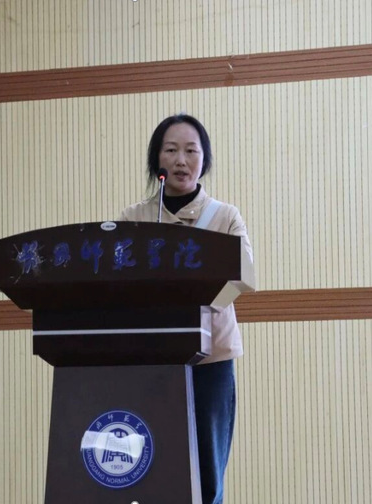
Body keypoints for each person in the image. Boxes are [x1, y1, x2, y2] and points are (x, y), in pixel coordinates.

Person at [119, 113, 253, 504]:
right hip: (151, 360)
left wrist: (197, 311)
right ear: (156, 159)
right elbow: (115, 279)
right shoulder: (134, 218)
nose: (181, 160)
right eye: (171, 150)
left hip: (211, 359)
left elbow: (243, 276)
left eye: (191, 151)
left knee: (208, 473)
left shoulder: (225, 217)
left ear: (204, 159)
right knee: (152, 465)